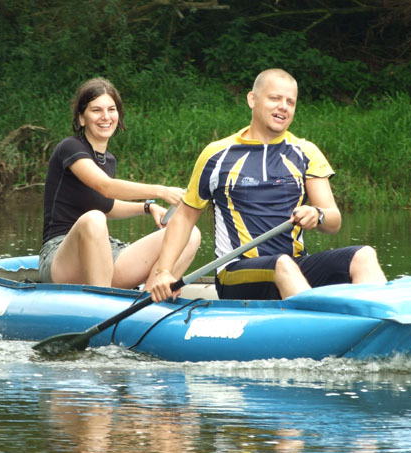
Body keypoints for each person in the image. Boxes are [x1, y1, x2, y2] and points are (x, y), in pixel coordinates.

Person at [149, 68, 386, 303]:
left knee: (364, 256)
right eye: (275, 98)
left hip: (294, 267)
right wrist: (164, 272)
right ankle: (312, 330)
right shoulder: (217, 154)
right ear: (252, 99)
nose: (283, 106)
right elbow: (184, 218)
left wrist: (318, 214)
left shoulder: (306, 152)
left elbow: (333, 220)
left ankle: (382, 327)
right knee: (282, 264)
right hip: (236, 272)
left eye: (290, 102)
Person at [39, 77, 201, 289]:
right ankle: (103, 304)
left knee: (189, 234)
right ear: (81, 118)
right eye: (96, 110)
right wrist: (161, 191)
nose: (105, 117)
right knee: (94, 220)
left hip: (104, 252)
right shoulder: (70, 148)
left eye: (111, 109)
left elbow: (107, 204)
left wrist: (148, 207)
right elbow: (105, 187)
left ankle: (150, 303)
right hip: (59, 258)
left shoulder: (109, 159)